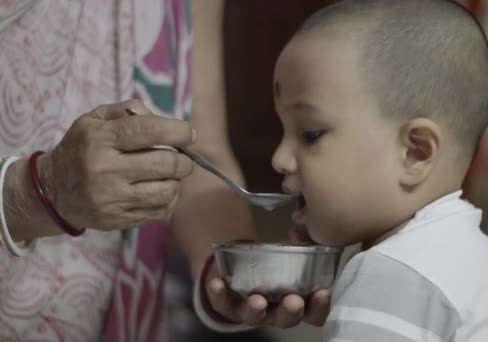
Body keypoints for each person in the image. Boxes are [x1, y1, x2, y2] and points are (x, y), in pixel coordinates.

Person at [0, 0, 328, 341]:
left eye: (313, 133)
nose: (280, 160)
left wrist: (228, 274)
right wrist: (34, 191)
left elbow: (199, 156)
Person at [268, 0, 488, 341]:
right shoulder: (448, 255)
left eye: (311, 134)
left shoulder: (397, 274)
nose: (279, 159)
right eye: (282, 130)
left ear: (415, 153)